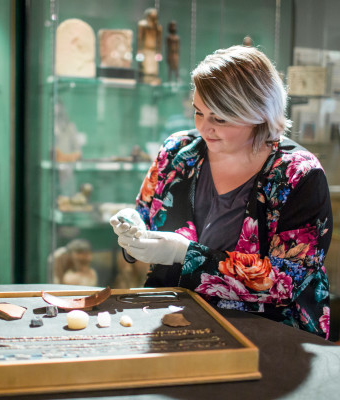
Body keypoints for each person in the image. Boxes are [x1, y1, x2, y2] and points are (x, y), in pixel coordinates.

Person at [110, 45, 333, 339]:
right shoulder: (178, 152)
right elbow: (147, 212)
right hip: (173, 318)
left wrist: (184, 253)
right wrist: (133, 224)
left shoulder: (298, 175)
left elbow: (288, 280)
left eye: (220, 119)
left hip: (268, 332)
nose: (204, 128)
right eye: (198, 112)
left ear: (258, 113)